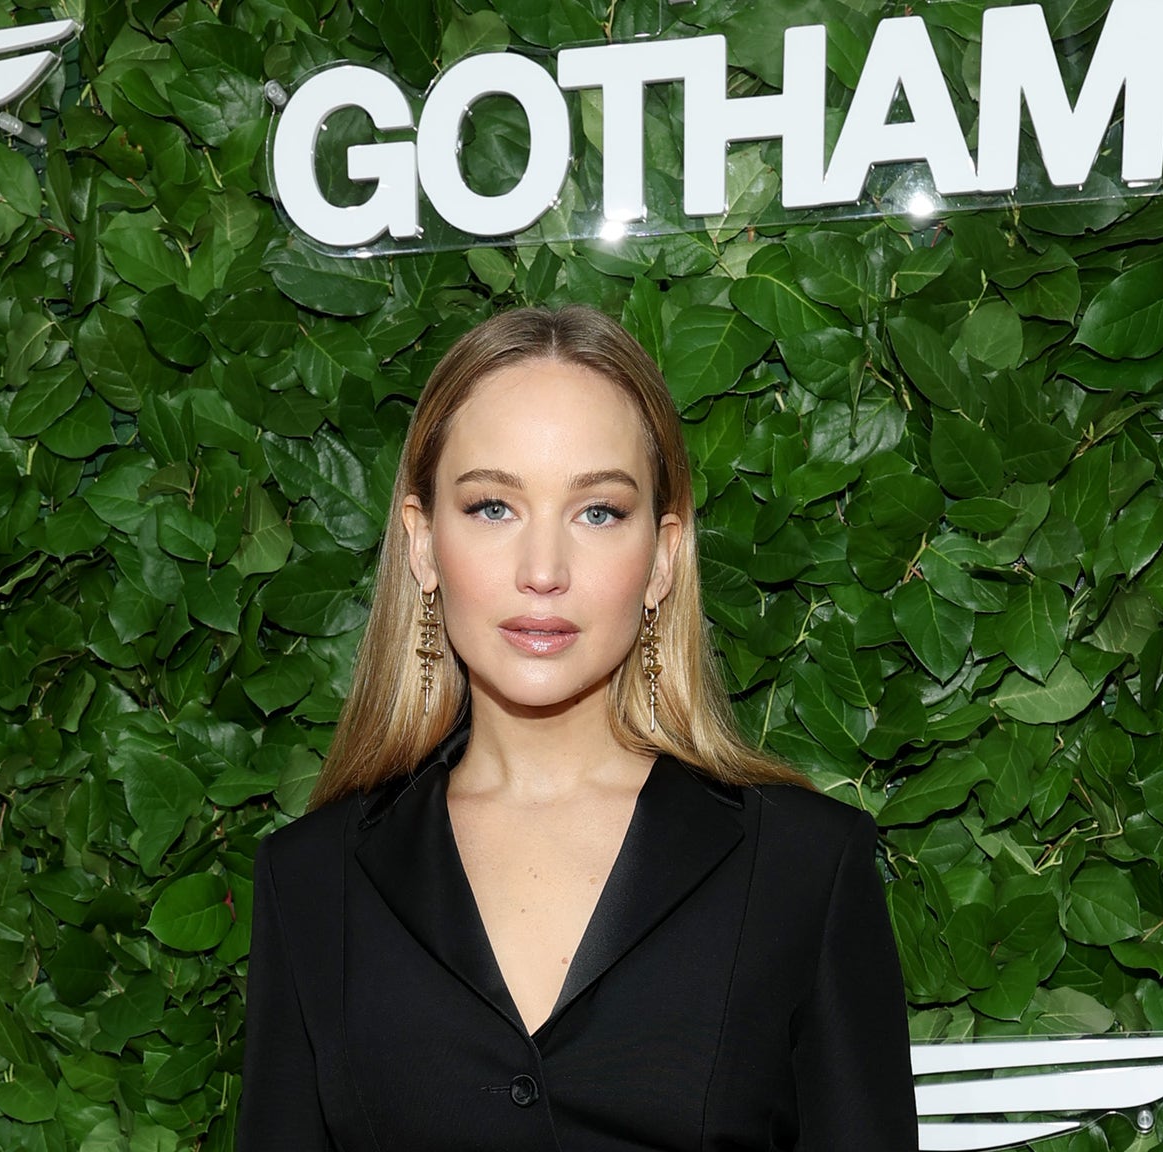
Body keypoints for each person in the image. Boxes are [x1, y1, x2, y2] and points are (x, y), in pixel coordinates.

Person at [234, 305, 919, 1151]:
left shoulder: (805, 866)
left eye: (597, 512)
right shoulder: (311, 883)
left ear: (662, 556)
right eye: (493, 507)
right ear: (422, 543)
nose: (543, 572)